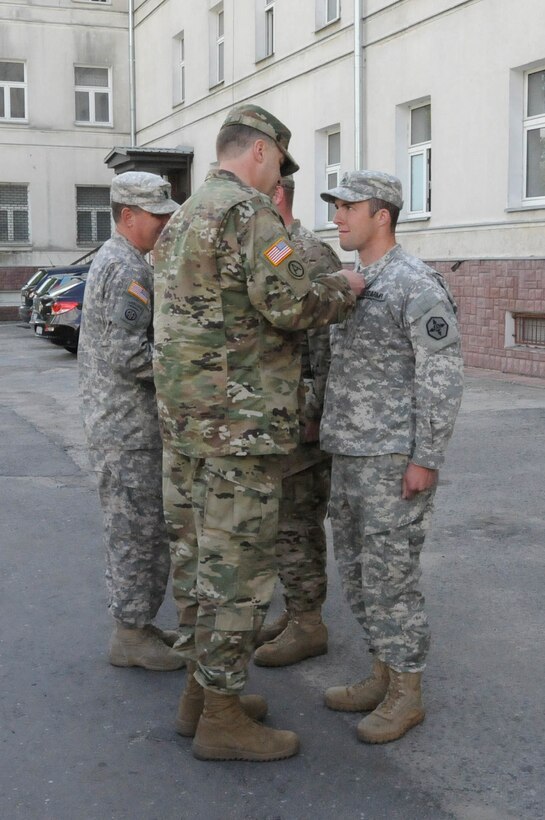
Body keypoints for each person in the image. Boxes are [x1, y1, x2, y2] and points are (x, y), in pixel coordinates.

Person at [153, 103, 364, 762]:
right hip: (237, 430)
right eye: (277, 160)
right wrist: (346, 285)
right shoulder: (249, 213)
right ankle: (222, 718)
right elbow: (292, 303)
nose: (277, 174)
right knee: (237, 573)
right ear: (261, 151)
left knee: (197, 565)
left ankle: (199, 697)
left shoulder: (182, 216)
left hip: (187, 426)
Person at [319, 170, 464, 744]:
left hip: (391, 457)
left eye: (348, 208)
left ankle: (407, 691)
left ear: (382, 215)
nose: (338, 218)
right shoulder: (351, 280)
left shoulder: (415, 283)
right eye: (336, 207)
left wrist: (426, 456)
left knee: (391, 577)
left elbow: (443, 376)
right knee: (356, 572)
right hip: (348, 451)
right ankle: (381, 670)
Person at [78, 171, 184, 672]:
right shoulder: (128, 270)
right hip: (129, 429)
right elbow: (128, 355)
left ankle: (137, 623)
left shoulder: (119, 258)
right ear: (128, 216)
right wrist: (186, 369)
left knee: (137, 529)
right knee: (137, 533)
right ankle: (130, 634)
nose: (164, 224)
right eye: (157, 216)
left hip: (119, 424)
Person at [253, 175, 339, 667]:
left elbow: (327, 342)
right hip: (276, 411)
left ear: (276, 196)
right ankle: (297, 611)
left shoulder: (308, 252)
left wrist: (313, 410)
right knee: (283, 520)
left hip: (301, 415)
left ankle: (309, 624)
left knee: (298, 520)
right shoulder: (273, 249)